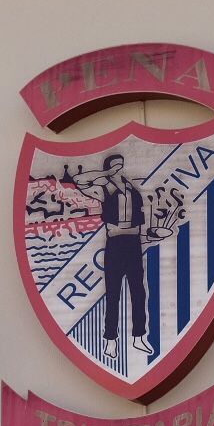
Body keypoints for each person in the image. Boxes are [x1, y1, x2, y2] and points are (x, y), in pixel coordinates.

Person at [72, 154, 153, 360]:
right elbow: (79, 180)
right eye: (115, 167)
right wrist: (105, 174)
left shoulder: (132, 188)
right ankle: (110, 340)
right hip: (115, 243)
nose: (119, 170)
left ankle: (139, 336)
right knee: (113, 294)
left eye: (120, 166)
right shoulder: (104, 187)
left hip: (133, 243)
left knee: (138, 292)